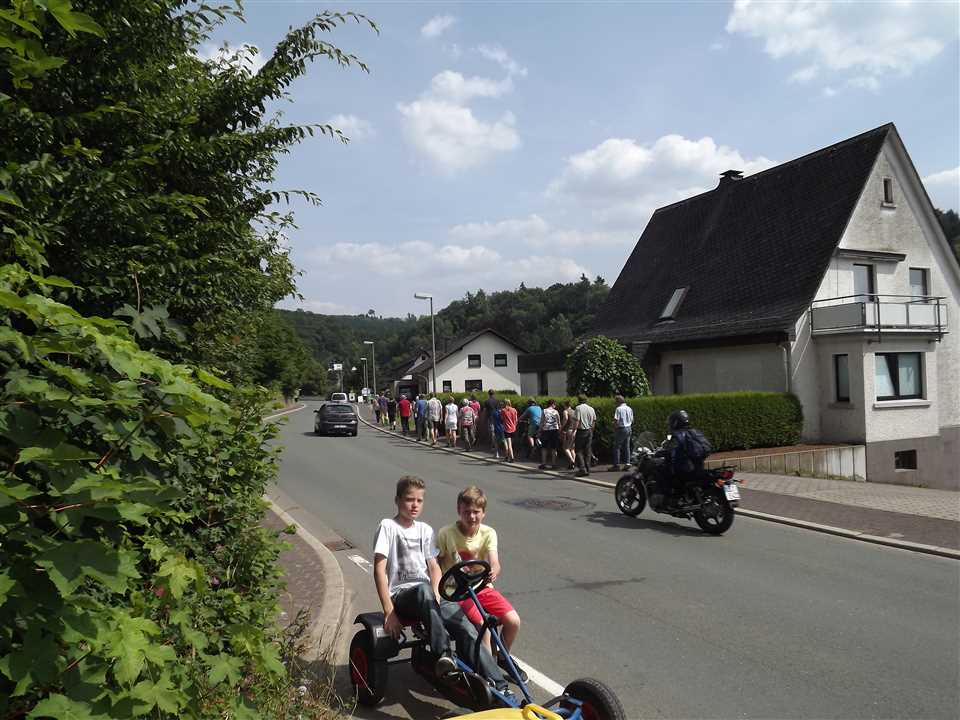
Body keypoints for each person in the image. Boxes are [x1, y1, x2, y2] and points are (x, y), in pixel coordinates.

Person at [373, 476, 509, 693]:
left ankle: (499, 686)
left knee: (466, 627)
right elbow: (379, 570)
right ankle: (444, 655)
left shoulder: (425, 530)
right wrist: (389, 611)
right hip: (402, 596)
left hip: (429, 595)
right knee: (424, 590)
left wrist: (437, 594)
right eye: (409, 500)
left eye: (419, 500)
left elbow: (434, 567)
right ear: (397, 500)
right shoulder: (388, 526)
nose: (415, 505)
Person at [436, 486, 525, 681]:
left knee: (513, 621)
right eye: (466, 512)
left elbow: (494, 561)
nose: (471, 516)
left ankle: (502, 656)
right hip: (456, 591)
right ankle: (490, 675)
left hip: (481, 587)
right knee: (483, 626)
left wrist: (494, 569)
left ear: (483, 513)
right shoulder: (446, 533)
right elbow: (435, 561)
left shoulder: (488, 533)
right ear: (459, 511)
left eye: (476, 512)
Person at [573, 395, 596, 477]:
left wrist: (573, 431)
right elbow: (594, 421)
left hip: (581, 431)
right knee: (587, 450)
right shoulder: (591, 408)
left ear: (579, 400)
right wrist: (591, 431)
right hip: (589, 430)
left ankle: (582, 469)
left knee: (578, 450)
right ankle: (587, 468)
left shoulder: (578, 408)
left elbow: (577, 421)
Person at [609, 395, 634, 472]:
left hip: (621, 428)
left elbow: (616, 420)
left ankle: (616, 465)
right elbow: (632, 420)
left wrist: (614, 427)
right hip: (629, 428)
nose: (615, 403)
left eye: (615, 402)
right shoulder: (629, 408)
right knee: (627, 446)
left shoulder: (618, 409)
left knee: (616, 447)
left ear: (618, 401)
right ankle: (628, 462)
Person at [538, 399, 561, 470]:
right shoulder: (556, 411)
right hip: (554, 430)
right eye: (555, 404)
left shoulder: (544, 411)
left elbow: (542, 422)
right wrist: (559, 431)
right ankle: (554, 464)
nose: (555, 406)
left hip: (546, 430)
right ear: (553, 404)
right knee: (554, 448)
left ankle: (543, 464)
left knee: (544, 447)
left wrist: (539, 431)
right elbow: (559, 422)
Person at [560, 400, 577, 470]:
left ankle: (572, 461)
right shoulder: (574, 411)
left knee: (565, 448)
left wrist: (562, 427)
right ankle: (572, 464)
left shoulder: (565, 411)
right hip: (574, 431)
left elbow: (566, 419)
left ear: (565, 405)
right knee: (572, 448)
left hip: (568, 430)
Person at [483, 390, 499, 454]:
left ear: (488, 394)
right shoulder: (497, 401)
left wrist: (484, 419)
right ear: (494, 394)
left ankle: (493, 445)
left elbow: (485, 411)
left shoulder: (486, 401)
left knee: (492, 432)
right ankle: (497, 444)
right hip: (497, 418)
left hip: (490, 418)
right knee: (497, 431)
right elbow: (498, 410)